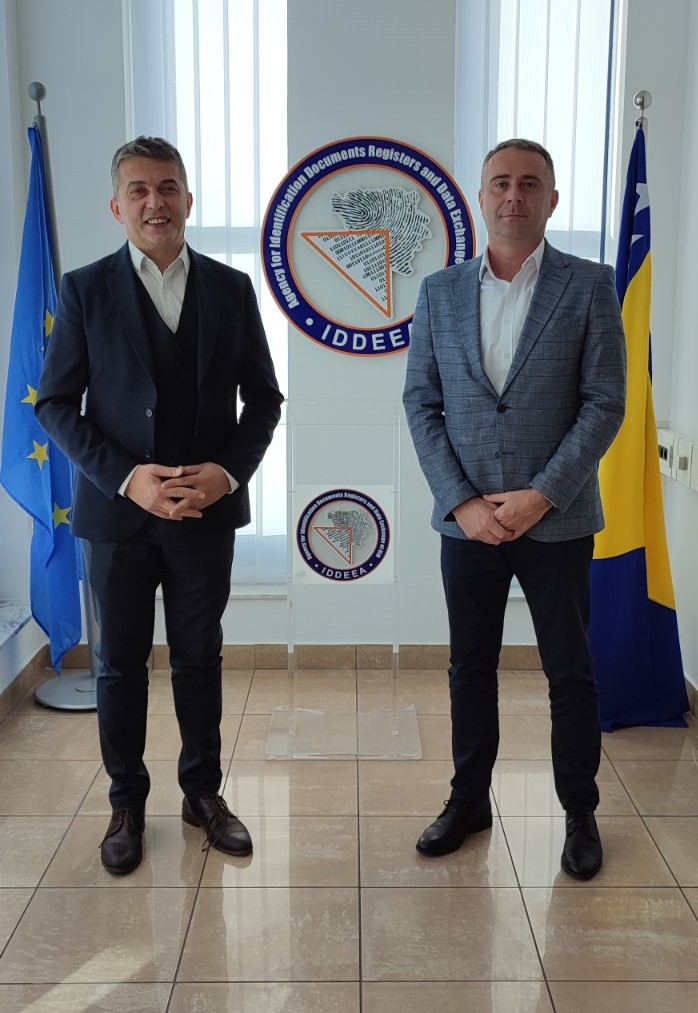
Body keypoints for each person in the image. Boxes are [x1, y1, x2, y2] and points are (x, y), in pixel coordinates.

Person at [36, 136, 283, 875]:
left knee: (199, 658)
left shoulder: (231, 289)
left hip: (205, 515)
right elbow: (55, 403)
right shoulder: (84, 290)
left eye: (168, 187)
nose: (155, 202)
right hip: (117, 519)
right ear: (117, 207)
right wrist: (128, 478)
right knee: (119, 664)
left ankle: (202, 794)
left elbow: (264, 399)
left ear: (188, 199)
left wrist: (227, 475)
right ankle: (126, 803)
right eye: (139, 190)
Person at [402, 139, 626, 880]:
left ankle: (580, 811)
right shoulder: (439, 292)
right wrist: (462, 503)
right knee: (470, 667)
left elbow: (604, 403)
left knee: (570, 671)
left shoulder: (589, 285)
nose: (514, 195)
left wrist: (541, 494)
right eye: (500, 182)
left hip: (556, 519)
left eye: (530, 184)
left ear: (551, 200)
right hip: (467, 524)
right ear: (481, 195)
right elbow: (422, 403)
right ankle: (469, 801)